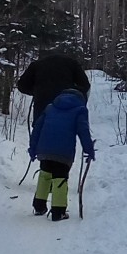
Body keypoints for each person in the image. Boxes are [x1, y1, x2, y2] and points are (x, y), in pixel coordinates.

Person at [29, 85, 95, 220]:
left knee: (45, 175)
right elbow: (83, 131)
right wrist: (89, 150)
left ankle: (39, 207)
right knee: (60, 178)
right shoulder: (80, 110)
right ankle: (58, 212)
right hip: (63, 152)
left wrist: (33, 148)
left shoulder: (50, 108)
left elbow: (37, 129)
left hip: (45, 149)